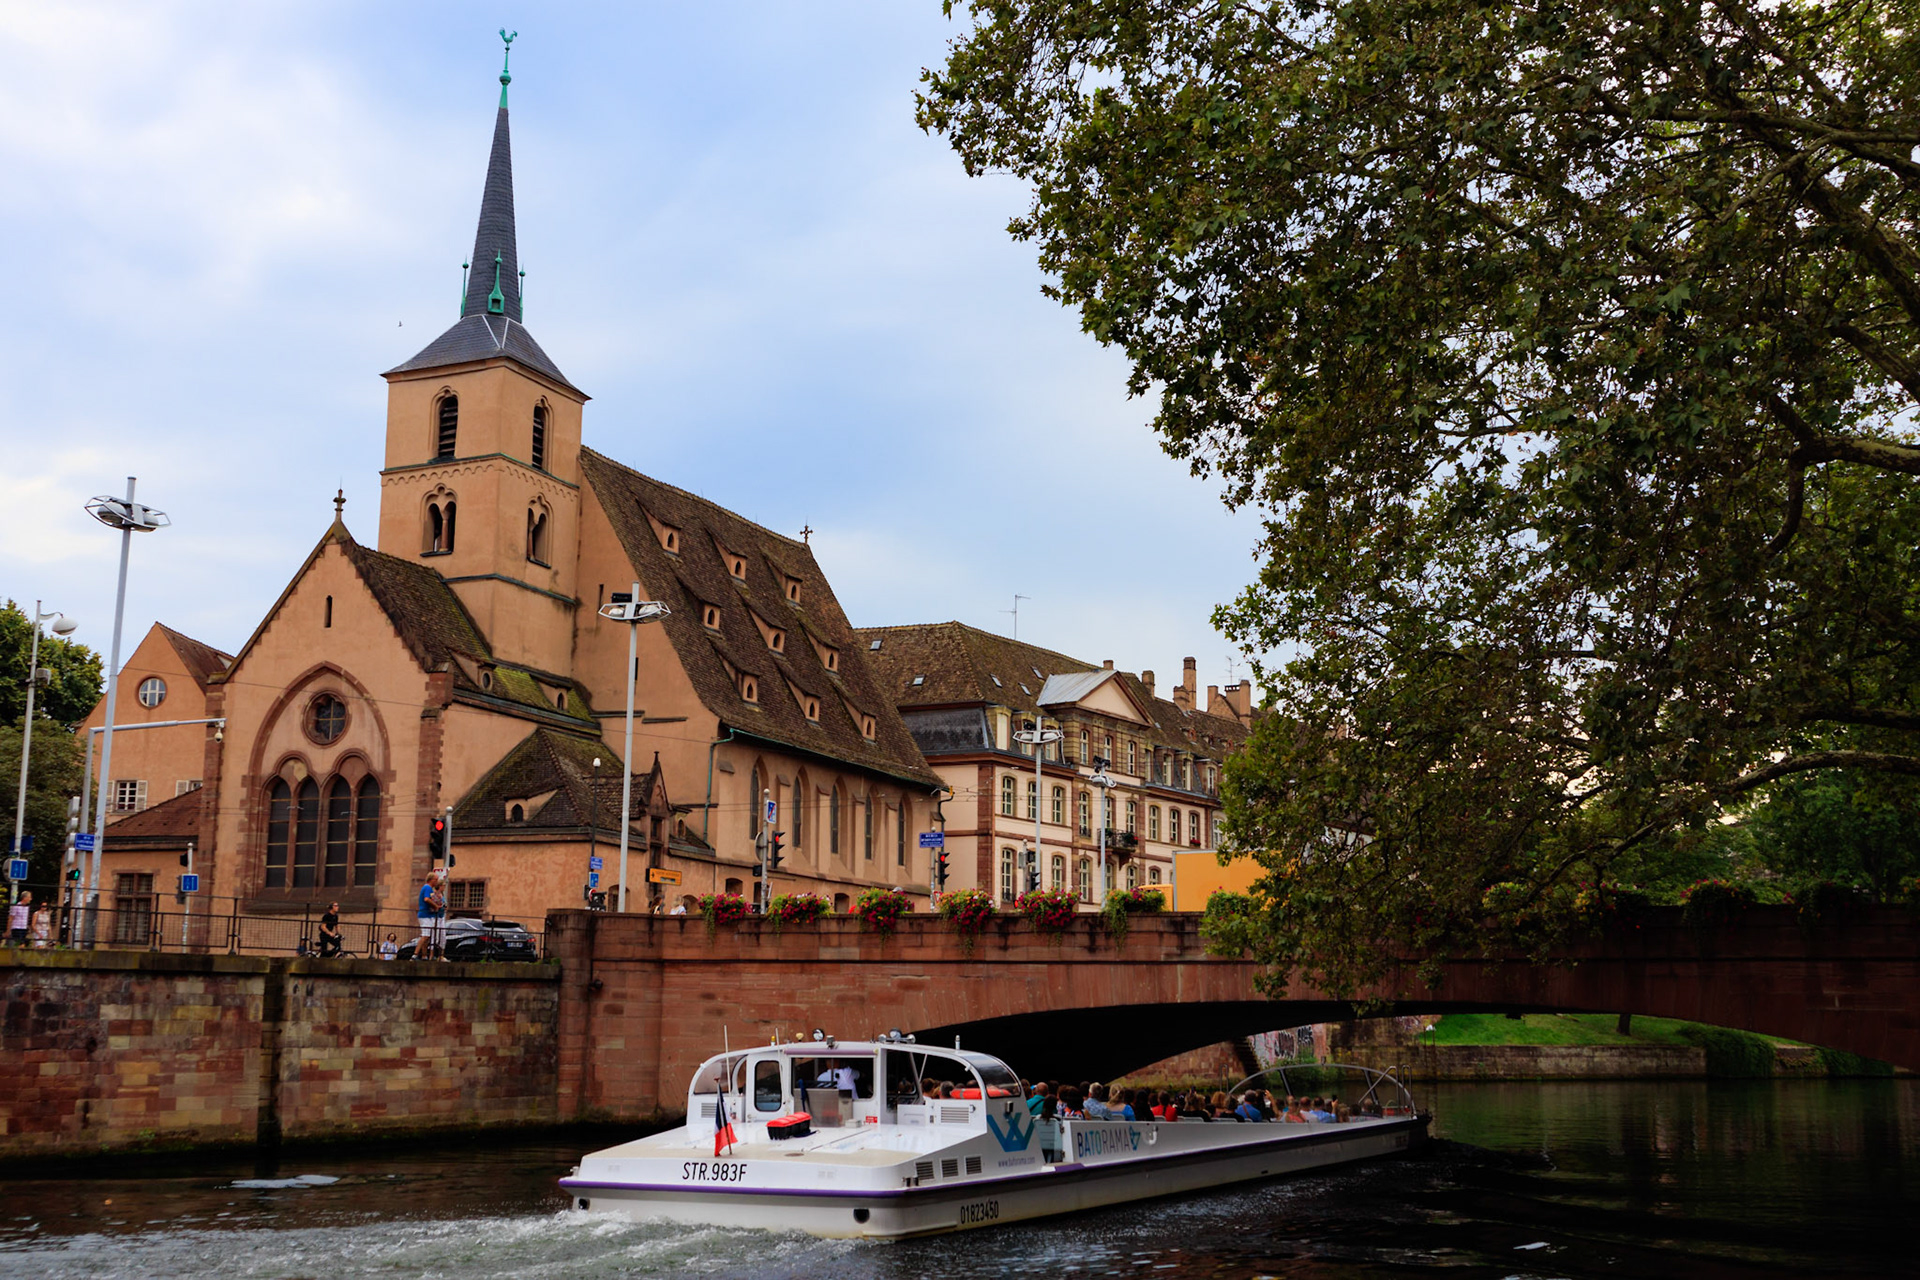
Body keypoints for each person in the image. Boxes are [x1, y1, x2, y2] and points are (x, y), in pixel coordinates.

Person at [417, 869, 447, 959]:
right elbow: (427, 899)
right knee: (427, 936)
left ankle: (425, 956)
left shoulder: (430, 890)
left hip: (432, 915)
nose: (436, 881)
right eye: (436, 880)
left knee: (429, 936)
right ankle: (417, 954)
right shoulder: (428, 888)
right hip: (428, 915)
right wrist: (436, 906)